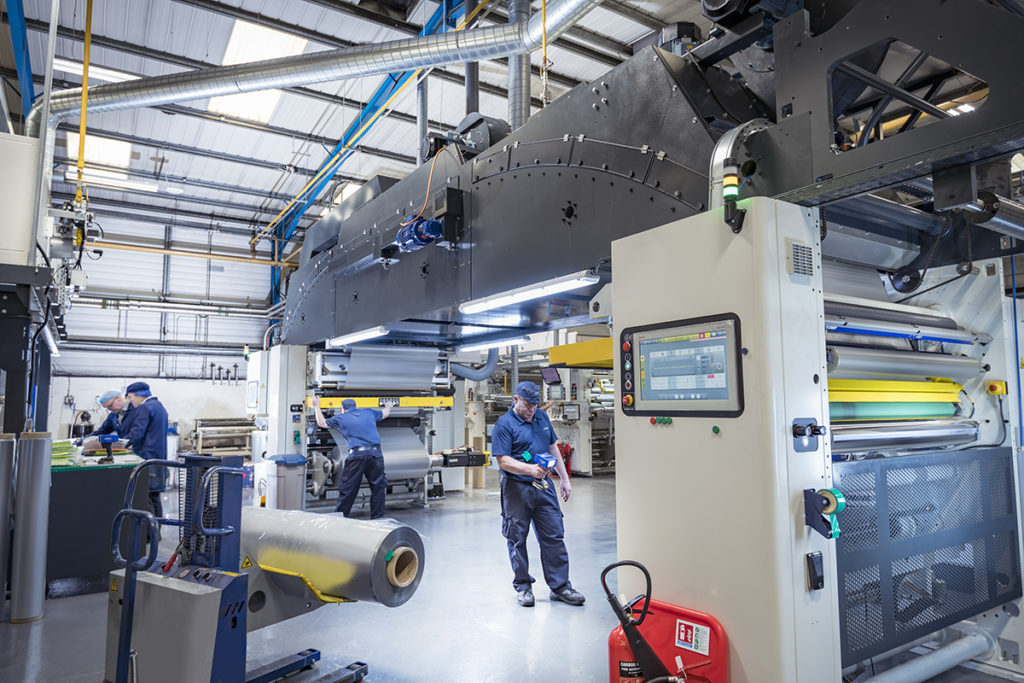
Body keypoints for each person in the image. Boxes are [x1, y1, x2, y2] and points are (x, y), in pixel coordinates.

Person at [492, 381, 585, 608]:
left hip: (542, 486)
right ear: (515, 400)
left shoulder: (541, 418)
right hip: (516, 488)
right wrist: (530, 469)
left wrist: (564, 478)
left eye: (535, 405)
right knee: (517, 537)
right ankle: (523, 587)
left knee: (554, 534)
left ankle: (560, 586)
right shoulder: (503, 425)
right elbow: (503, 460)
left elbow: (553, 447)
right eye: (527, 405)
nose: (532, 409)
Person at [314, 397, 391, 519]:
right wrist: (388, 405)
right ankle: (378, 520)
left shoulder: (341, 418)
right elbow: (385, 414)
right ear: (356, 407)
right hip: (375, 455)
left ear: (343, 409)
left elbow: (321, 423)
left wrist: (316, 406)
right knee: (378, 488)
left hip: (357, 456)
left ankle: (340, 518)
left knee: (348, 489)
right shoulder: (368, 412)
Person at [122, 382, 169, 520]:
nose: (130, 402)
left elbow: (136, 433)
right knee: (154, 498)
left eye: (130, 397)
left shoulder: (145, 408)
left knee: (145, 498)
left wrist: (120, 444)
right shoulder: (160, 407)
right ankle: (155, 532)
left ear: (139, 395)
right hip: (158, 459)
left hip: (146, 459)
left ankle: (146, 534)